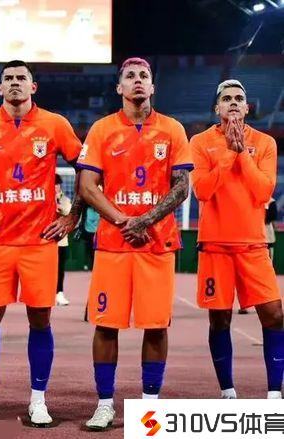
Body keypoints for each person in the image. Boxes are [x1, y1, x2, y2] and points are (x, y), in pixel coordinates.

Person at [0, 60, 83, 426]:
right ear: (0, 89)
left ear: (33, 87)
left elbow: (86, 168)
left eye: (22, 78)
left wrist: (72, 216)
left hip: (40, 243)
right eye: (8, 78)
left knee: (40, 318)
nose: (15, 83)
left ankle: (38, 400)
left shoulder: (55, 124)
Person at [77, 57, 193, 430]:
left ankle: (150, 408)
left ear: (152, 86)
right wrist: (126, 221)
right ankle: (104, 404)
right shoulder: (101, 129)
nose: (138, 80)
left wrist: (146, 220)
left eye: (144, 75)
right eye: (130, 76)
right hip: (114, 244)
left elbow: (182, 187)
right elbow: (87, 187)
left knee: (156, 325)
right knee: (106, 324)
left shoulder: (172, 129)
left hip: (157, 244)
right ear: (119, 88)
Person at [190, 79, 283, 400]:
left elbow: (263, 191)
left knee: (274, 315)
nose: (233, 102)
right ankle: (228, 391)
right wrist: (230, 154)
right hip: (215, 246)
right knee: (220, 319)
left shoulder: (265, 143)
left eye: (238, 98)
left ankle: (274, 394)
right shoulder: (200, 142)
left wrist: (241, 154)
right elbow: (202, 190)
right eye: (226, 98)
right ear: (217, 107)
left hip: (253, 245)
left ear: (246, 107)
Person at [55, 174, 72, 306]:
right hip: (45, 242)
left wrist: (57, 205)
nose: (55, 187)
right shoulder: (43, 198)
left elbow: (68, 212)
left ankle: (59, 293)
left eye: (57, 184)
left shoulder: (65, 199)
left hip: (61, 241)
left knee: (60, 269)